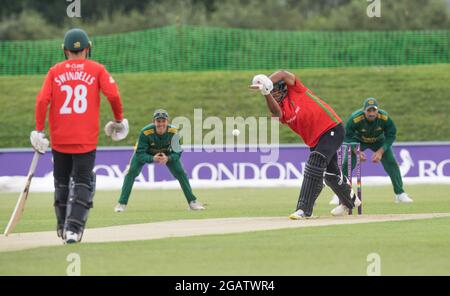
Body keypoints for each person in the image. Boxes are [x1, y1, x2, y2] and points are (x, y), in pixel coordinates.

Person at [31, 28, 129, 244]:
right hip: (85, 140)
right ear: (87, 49)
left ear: (65, 50)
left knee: (62, 182)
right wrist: (119, 119)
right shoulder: (97, 69)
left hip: (59, 139)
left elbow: (41, 101)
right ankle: (74, 229)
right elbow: (113, 94)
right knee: (83, 182)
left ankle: (61, 226)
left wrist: (39, 130)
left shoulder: (55, 71)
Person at [250, 70, 361, 219]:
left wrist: (266, 81)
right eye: (271, 93)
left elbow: (283, 73)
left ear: (283, 89)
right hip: (314, 140)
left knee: (315, 162)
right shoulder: (279, 109)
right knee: (330, 175)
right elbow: (277, 114)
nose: (274, 96)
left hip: (331, 128)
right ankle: (351, 200)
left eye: (275, 92)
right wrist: (265, 92)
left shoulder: (296, 89)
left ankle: (303, 209)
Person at [114, 109, 205, 212]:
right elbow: (140, 154)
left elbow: (177, 152)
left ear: (167, 121)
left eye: (163, 121)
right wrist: (152, 158)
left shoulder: (173, 132)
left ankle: (192, 202)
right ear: (154, 122)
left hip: (167, 153)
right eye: (158, 121)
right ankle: (121, 203)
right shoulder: (145, 132)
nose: (161, 124)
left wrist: (168, 158)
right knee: (131, 173)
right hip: (146, 153)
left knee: (181, 173)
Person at [329, 98, 413, 205]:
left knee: (392, 163)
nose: (372, 113)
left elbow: (391, 135)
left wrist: (381, 151)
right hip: (357, 141)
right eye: (369, 110)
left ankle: (400, 194)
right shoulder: (355, 118)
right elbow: (346, 137)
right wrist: (356, 151)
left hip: (379, 141)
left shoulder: (384, 118)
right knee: (347, 164)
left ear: (378, 111)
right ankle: (339, 194)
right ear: (364, 111)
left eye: (374, 110)